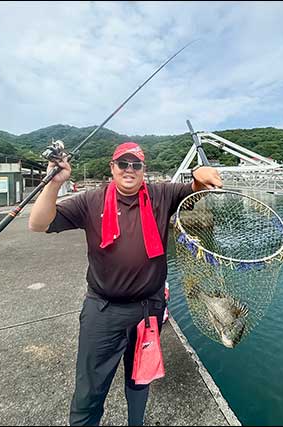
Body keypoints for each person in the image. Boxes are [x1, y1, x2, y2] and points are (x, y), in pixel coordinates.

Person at [28, 142, 222, 426]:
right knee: (89, 389)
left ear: (144, 170)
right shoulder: (90, 200)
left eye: (136, 165)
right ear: (112, 167)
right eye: (123, 164)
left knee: (140, 380)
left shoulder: (162, 194)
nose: (129, 170)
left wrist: (200, 171)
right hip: (103, 311)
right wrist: (54, 184)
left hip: (149, 309)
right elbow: (39, 223)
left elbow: (197, 188)